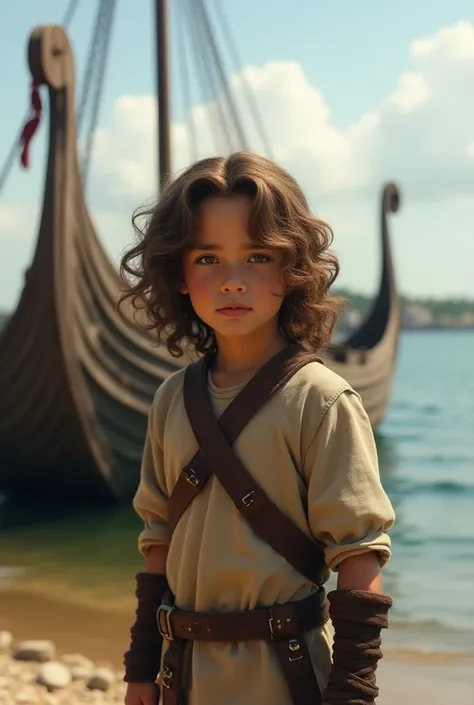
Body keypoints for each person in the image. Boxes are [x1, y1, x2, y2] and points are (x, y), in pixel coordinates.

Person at [119, 151, 395, 705]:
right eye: (207, 259)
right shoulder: (171, 400)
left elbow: (359, 558)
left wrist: (353, 695)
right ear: (176, 271)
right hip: (183, 678)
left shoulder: (322, 401)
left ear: (293, 268)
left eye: (258, 256)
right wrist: (141, 671)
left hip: (286, 683)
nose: (232, 281)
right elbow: (158, 549)